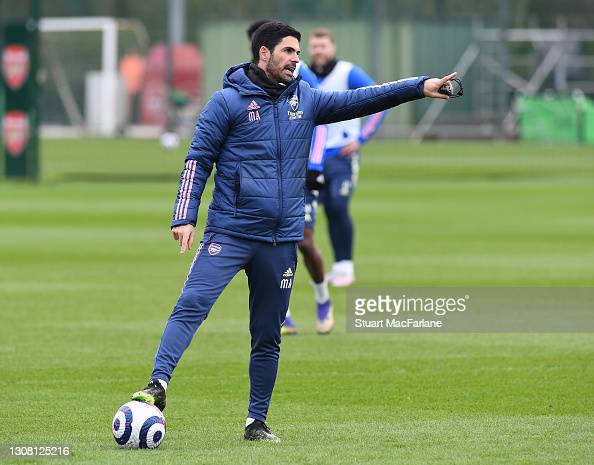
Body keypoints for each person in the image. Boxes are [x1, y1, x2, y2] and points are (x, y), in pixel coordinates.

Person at [131, 21, 456, 441]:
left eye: (299, 52)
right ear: (263, 54)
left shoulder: (307, 99)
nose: (297, 59)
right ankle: (158, 385)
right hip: (229, 233)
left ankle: (257, 422)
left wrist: (420, 86)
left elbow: (362, 99)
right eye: (288, 51)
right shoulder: (226, 103)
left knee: (268, 335)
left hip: (282, 239)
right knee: (191, 304)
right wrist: (184, 216)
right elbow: (198, 160)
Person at [247, 21, 331, 336]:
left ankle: (323, 298)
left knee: (304, 242)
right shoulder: (252, 77)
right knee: (269, 247)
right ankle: (285, 312)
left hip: (301, 175)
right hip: (269, 183)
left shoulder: (298, 74)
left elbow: (321, 119)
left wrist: (316, 164)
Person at [308, 28, 387, 287]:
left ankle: (344, 266)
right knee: (306, 214)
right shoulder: (302, 74)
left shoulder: (347, 72)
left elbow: (380, 99)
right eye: (315, 46)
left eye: (323, 46)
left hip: (342, 154)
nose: (319, 51)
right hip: (312, 155)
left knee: (337, 206)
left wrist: (361, 138)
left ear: (333, 47)